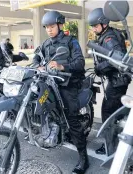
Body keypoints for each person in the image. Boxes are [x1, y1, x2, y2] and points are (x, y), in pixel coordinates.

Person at [33, 11, 88, 174]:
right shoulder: (46, 44)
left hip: (68, 83)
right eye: (47, 27)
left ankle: (84, 158)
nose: (49, 30)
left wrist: (62, 66)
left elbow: (80, 62)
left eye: (52, 26)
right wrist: (38, 66)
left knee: (71, 117)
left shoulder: (71, 41)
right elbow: (36, 57)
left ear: (60, 25)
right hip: (50, 82)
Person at [88, 8, 131, 155]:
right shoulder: (108, 35)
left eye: (95, 26)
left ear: (103, 23)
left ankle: (110, 149)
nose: (93, 29)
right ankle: (117, 144)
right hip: (118, 80)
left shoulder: (109, 38)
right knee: (117, 114)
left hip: (117, 81)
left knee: (108, 113)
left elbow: (115, 60)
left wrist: (99, 68)